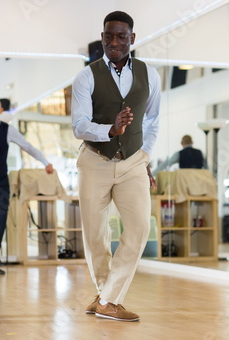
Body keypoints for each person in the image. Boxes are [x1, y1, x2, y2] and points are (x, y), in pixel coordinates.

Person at [72, 11, 160, 321]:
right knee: (96, 235)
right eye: (108, 36)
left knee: (139, 227)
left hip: (133, 163)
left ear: (132, 39)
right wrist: (110, 129)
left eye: (121, 36)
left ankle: (106, 299)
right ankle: (107, 300)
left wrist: (144, 155)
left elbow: (153, 120)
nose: (114, 42)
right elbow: (79, 126)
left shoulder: (151, 75)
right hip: (94, 160)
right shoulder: (86, 76)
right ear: (102, 37)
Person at [0, 97, 54, 275]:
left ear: (1, 111)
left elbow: (27, 146)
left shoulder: (8, 130)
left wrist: (45, 162)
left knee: (1, 220)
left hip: (1, 183)